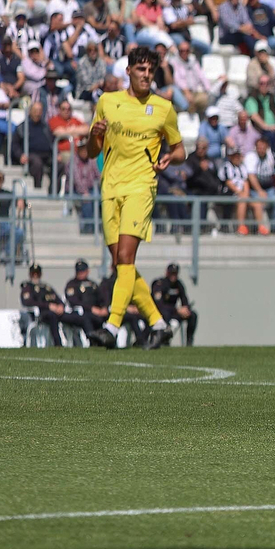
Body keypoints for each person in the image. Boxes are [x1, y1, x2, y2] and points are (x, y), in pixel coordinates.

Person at [83, 46, 186, 350]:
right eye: (140, 69)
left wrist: (170, 158)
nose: (146, 75)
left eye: (150, 71)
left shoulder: (163, 108)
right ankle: (159, 324)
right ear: (128, 71)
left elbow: (180, 149)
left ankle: (112, 327)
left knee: (126, 258)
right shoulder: (107, 102)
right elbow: (91, 152)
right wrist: (94, 135)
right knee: (120, 264)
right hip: (110, 188)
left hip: (142, 187)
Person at [151, 262, 197, 346]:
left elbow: (184, 299)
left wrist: (186, 309)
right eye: (172, 273)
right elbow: (159, 305)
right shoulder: (160, 284)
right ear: (167, 273)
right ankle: (164, 339)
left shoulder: (179, 284)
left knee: (193, 315)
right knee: (166, 314)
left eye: (175, 273)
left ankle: (189, 342)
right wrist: (177, 309)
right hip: (163, 312)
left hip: (174, 312)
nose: (173, 276)